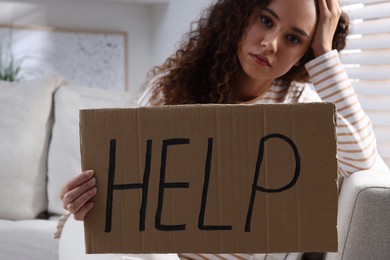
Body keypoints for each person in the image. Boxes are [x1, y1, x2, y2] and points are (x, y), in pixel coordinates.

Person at [59, 0, 377, 259]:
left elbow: (361, 158)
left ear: (301, 57)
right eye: (266, 20)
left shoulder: (299, 106)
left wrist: (324, 54)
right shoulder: (169, 88)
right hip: (148, 253)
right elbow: (120, 181)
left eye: (294, 39)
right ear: (240, 16)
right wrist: (82, 197)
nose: (270, 43)